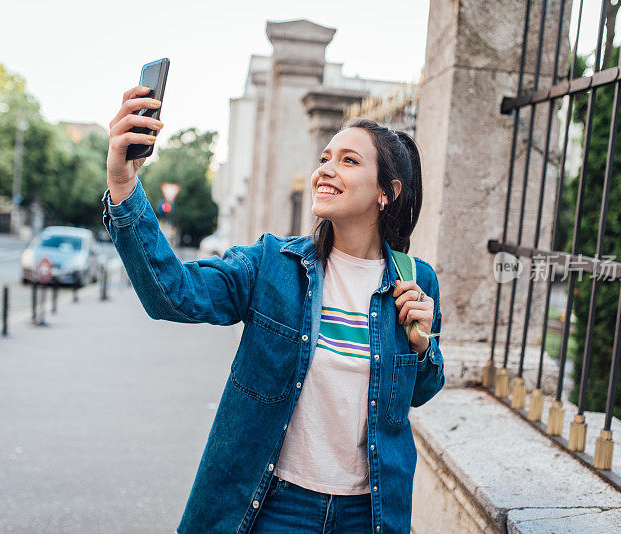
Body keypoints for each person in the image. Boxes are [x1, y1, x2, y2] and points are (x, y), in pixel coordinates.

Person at [102, 85, 445, 534]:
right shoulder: (271, 265)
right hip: (277, 507)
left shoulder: (414, 279)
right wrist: (124, 185)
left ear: (387, 192)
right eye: (325, 157)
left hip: (371, 514)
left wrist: (422, 347)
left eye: (348, 160)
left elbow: (420, 391)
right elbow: (172, 293)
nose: (325, 169)